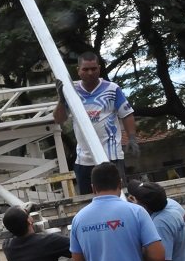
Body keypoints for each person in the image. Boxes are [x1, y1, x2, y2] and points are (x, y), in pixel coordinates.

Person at [53, 51, 139, 195]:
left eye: (94, 69)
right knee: (88, 199)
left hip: (111, 156)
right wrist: (61, 100)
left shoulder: (112, 89)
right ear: (78, 70)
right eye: (85, 69)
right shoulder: (71, 91)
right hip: (84, 159)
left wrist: (132, 138)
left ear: (99, 68)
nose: (90, 72)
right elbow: (58, 119)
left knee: (117, 196)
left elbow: (127, 114)